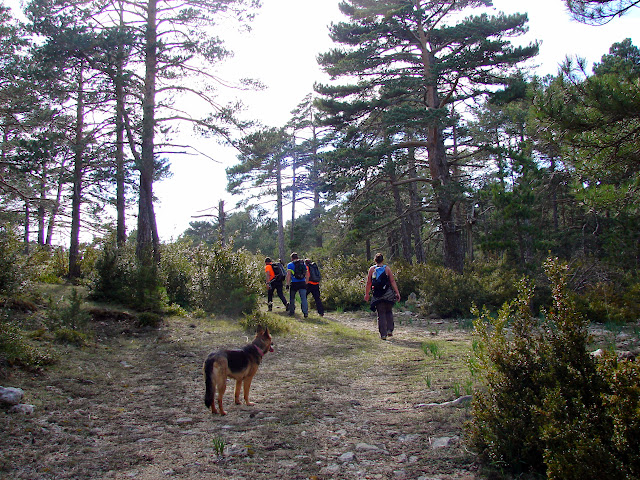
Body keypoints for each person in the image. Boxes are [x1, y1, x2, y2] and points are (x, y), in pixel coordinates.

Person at [364, 253, 401, 340]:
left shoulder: (372, 269)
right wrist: (397, 292)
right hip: (388, 294)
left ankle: (383, 334)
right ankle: (390, 330)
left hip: (377, 295)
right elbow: (392, 281)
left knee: (381, 314)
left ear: (375, 260)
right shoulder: (387, 269)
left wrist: (366, 294)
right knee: (388, 312)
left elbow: (369, 283)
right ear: (383, 260)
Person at [286, 252, 309, 318]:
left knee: (292, 298)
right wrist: (306, 283)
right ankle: (305, 313)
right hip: (302, 283)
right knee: (303, 298)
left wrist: (287, 284)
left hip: (294, 283)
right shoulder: (303, 264)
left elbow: (288, 275)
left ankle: (292, 312)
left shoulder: (290, 265)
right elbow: (307, 274)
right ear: (298, 258)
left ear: (291, 258)